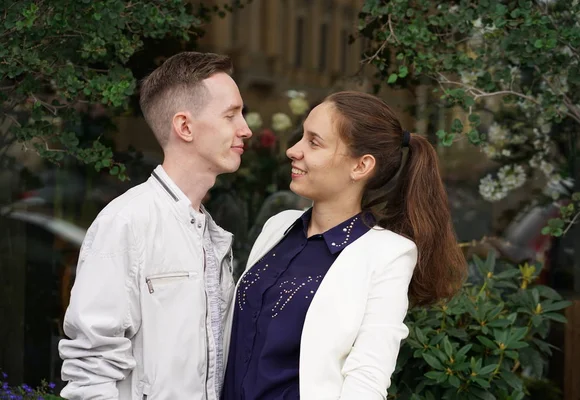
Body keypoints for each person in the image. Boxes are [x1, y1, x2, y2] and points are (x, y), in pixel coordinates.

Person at [221, 91, 466, 399]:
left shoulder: (387, 255)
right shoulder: (279, 226)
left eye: (314, 142)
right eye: (301, 137)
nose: (293, 151)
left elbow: (367, 379)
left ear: (361, 166)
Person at [58, 52, 252, 400]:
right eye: (230, 115)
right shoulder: (127, 222)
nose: (245, 129)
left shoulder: (208, 231)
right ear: (185, 126)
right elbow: (91, 367)